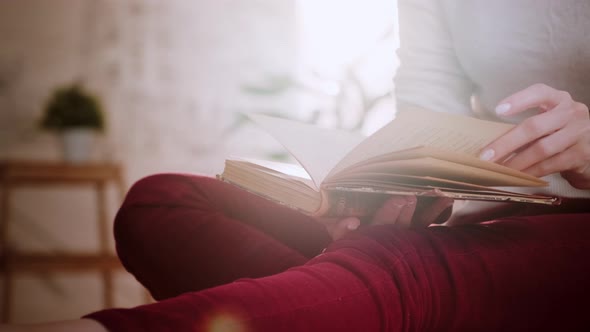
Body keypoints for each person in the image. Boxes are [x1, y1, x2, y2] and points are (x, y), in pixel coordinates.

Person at [3, 0, 590, 331]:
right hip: (482, 216)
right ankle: (362, 299)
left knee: (393, 264)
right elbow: (426, 108)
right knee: (161, 201)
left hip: (574, 228)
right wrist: (392, 192)